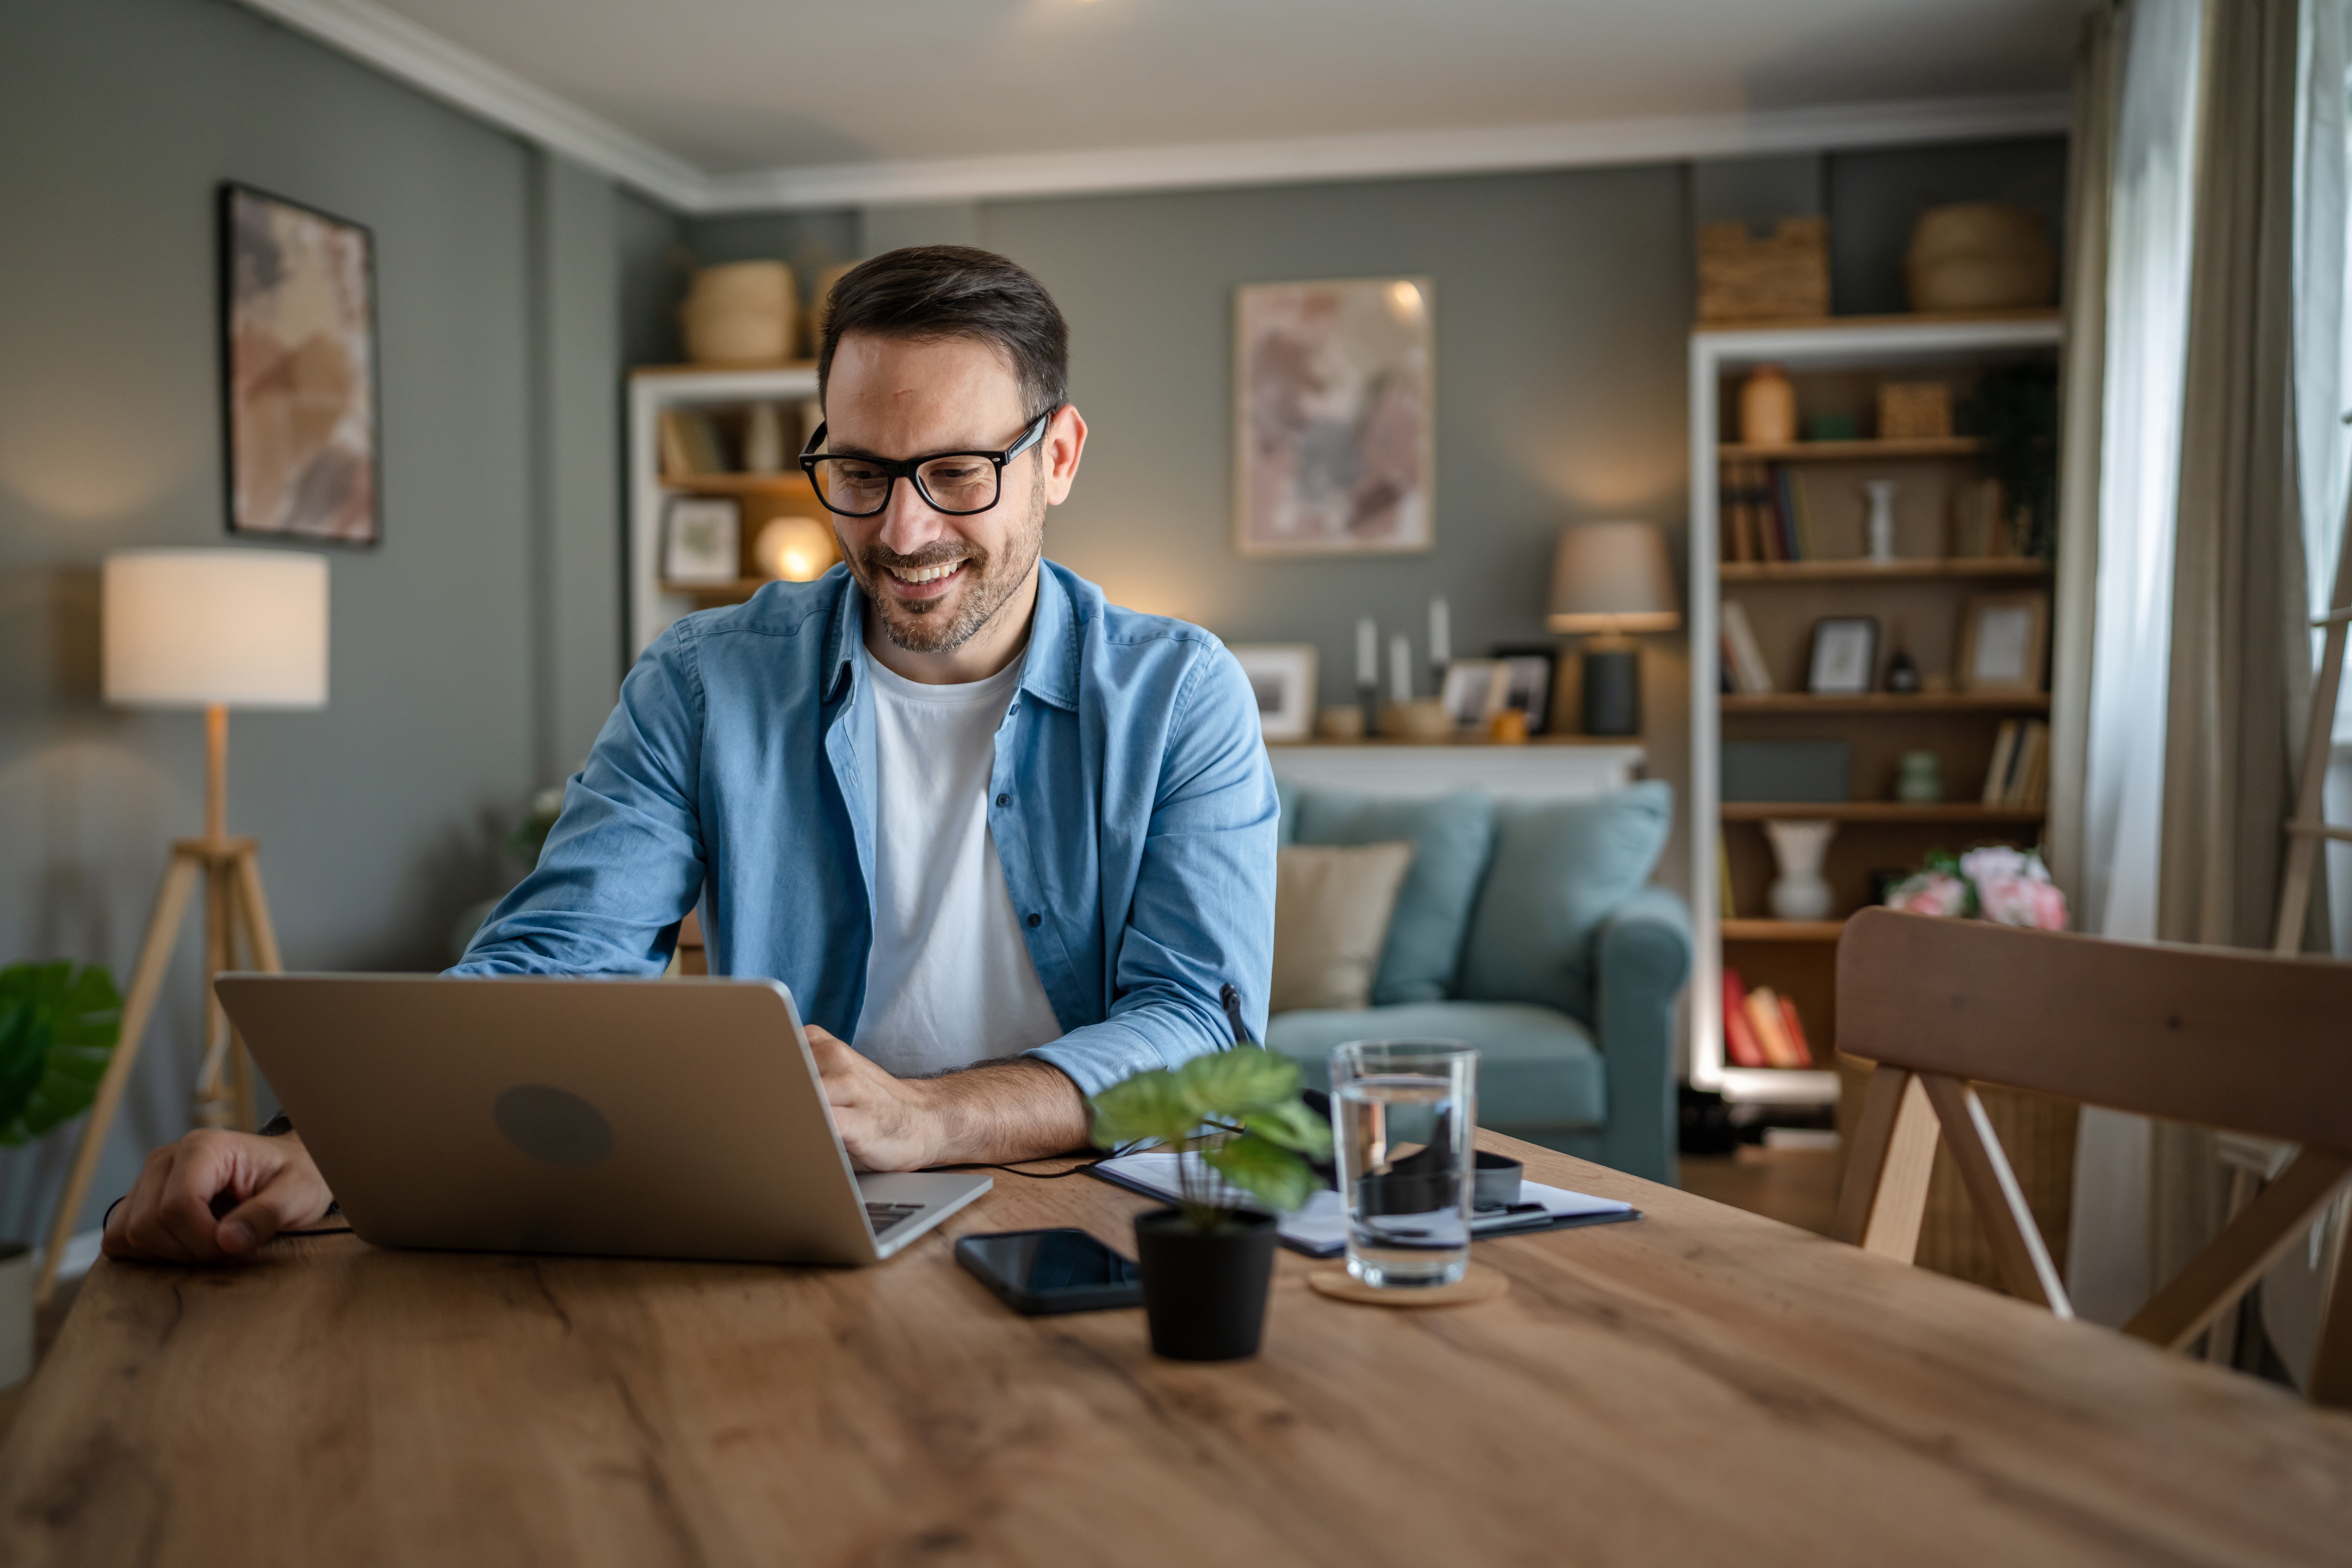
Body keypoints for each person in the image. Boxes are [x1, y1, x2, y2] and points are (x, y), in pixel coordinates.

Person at [103, 246, 1279, 1265]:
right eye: (861, 474)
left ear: (1059, 457)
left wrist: (930, 1116)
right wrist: (315, 1148)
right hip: (802, 1229)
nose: (902, 532)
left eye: (958, 474)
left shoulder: (1181, 696)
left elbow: (1200, 1025)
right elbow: (558, 959)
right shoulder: (707, 679)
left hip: (1099, 1229)